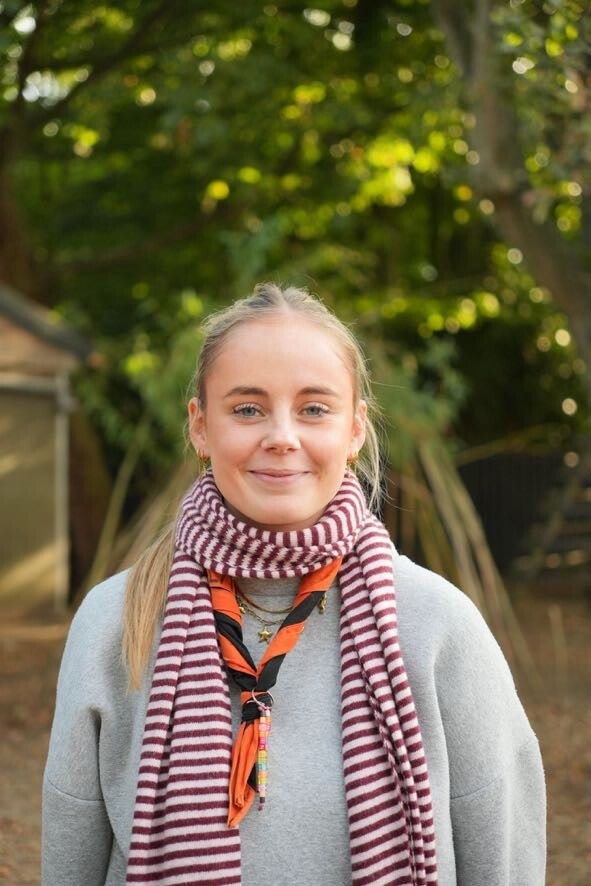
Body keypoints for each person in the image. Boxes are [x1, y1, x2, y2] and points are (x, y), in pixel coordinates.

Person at [42, 283, 546, 886]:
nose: (282, 436)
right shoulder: (116, 622)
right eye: (247, 409)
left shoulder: (437, 626)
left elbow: (503, 857)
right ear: (200, 427)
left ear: (355, 430)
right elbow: (71, 858)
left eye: (313, 409)